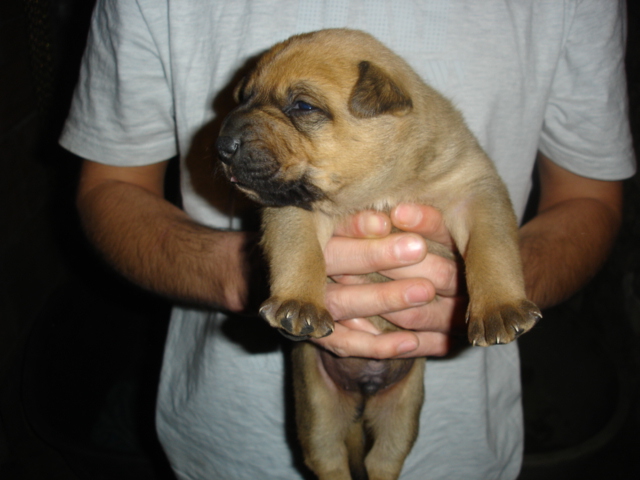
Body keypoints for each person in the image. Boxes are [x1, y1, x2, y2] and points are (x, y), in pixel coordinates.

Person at [60, 1, 635, 479]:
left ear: (386, 108)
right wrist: (266, 279)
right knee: (324, 447)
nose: (233, 137)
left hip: (464, 448)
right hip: (227, 446)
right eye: (248, 100)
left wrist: (491, 291)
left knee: (390, 448)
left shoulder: (437, 135)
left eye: (301, 108)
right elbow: (109, 187)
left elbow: (575, 199)